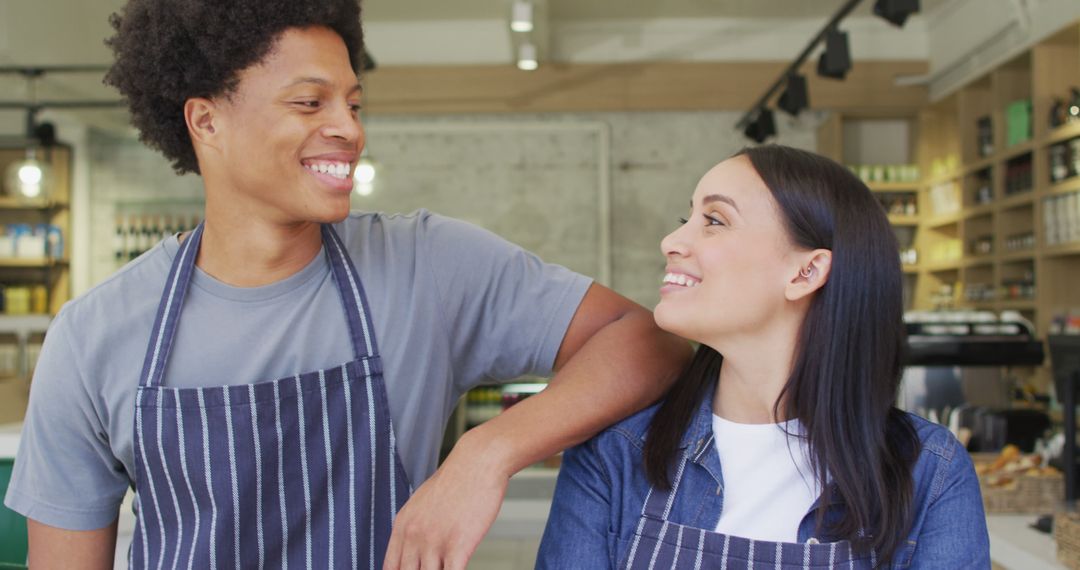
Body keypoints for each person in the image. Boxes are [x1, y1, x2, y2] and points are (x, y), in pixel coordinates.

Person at [3, 1, 692, 568]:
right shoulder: (95, 334)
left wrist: (487, 453)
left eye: (353, 105)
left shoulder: (428, 265)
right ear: (206, 121)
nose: (349, 130)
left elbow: (649, 342)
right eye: (310, 102)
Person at [537, 145, 990, 569]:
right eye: (686, 217)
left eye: (714, 220)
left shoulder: (929, 471)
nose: (671, 240)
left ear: (806, 271)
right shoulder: (614, 454)